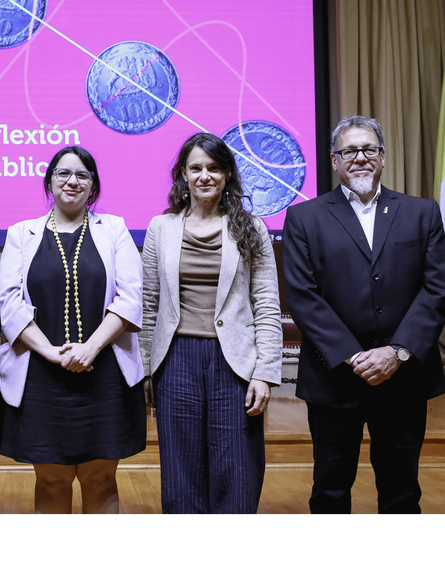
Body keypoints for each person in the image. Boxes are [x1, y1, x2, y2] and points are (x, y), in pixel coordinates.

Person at [282, 115, 445, 513]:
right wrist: (353, 355)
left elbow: (436, 290)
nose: (360, 158)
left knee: (402, 491)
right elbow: (303, 295)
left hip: (403, 376)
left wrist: (396, 352)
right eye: (349, 151)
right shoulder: (304, 217)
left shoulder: (422, 213)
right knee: (330, 489)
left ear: (383, 157)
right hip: (335, 378)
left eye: (369, 149)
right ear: (334, 160)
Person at [0, 146, 145, 513]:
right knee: (51, 478)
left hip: (105, 372)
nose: (72, 181)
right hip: (40, 374)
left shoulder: (115, 229)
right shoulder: (21, 233)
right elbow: (9, 303)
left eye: (82, 174)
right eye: (63, 173)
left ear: (93, 185)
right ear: (49, 181)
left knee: (100, 478)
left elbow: (130, 298)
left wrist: (90, 348)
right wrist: (50, 351)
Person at [139, 132, 282, 514]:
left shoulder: (252, 228)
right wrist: (147, 369)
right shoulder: (160, 228)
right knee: (180, 471)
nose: (205, 176)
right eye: (196, 168)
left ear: (227, 174)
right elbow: (149, 304)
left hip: (235, 361)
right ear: (183, 175)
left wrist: (265, 373)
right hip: (175, 360)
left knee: (237, 469)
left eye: (214, 168)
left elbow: (267, 304)